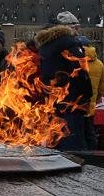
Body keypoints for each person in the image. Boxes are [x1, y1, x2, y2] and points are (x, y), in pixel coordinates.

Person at [35, 12, 92, 151]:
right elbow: (80, 73)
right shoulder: (70, 43)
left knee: (56, 147)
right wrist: (87, 94)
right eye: (76, 27)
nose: (78, 32)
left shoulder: (45, 46)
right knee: (74, 149)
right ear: (67, 28)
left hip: (52, 104)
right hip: (71, 103)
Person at [83, 45, 104, 150]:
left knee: (76, 131)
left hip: (75, 104)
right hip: (91, 104)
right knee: (90, 131)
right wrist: (94, 100)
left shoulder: (75, 60)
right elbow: (102, 87)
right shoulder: (99, 64)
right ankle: (92, 154)